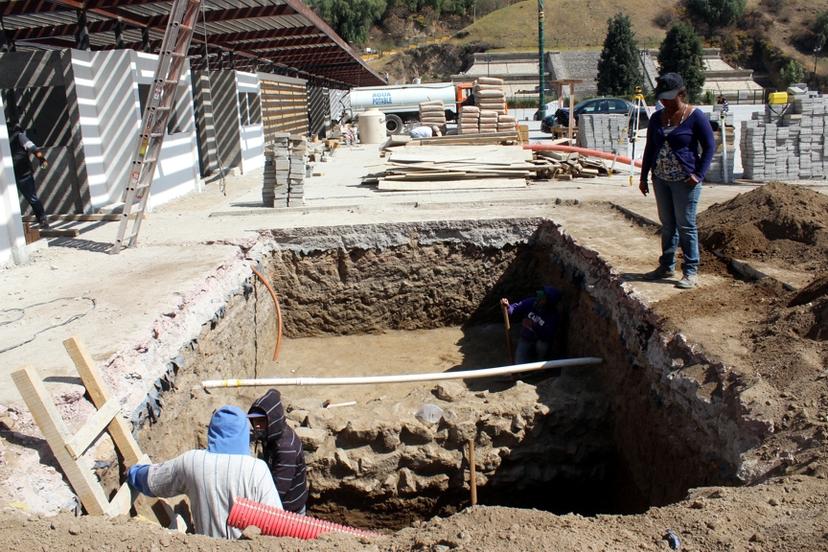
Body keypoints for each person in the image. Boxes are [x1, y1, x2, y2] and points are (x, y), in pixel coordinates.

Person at [127, 405, 282, 539]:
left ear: (212, 432)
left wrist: (133, 473)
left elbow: (153, 482)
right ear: (244, 433)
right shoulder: (257, 469)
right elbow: (277, 523)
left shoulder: (193, 462)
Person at [639, 73, 715, 289]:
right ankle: (667, 265)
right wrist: (644, 176)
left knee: (686, 226)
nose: (665, 102)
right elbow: (650, 148)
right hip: (661, 179)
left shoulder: (695, 116)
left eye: (669, 98)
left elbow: (709, 146)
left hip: (685, 181)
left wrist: (698, 175)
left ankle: (690, 271)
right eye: (662, 98)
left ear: (681, 93)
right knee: (668, 225)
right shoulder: (656, 118)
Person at [248, 389, 308, 515]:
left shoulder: (286, 449)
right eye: (255, 421)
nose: (257, 426)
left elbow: (278, 490)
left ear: (272, 420)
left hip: (289, 511)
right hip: (286, 504)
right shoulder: (272, 434)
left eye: (261, 421)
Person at [500, 286, 561, 364]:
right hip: (526, 338)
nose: (538, 299)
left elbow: (548, 335)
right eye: (539, 297)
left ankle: (540, 363)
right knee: (520, 364)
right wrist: (507, 307)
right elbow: (514, 309)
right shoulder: (531, 302)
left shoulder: (553, 316)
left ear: (548, 302)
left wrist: (534, 326)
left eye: (542, 298)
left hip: (541, 340)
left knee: (542, 347)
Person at [9, 124, 50, 228]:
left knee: (32, 198)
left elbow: (32, 148)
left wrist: (42, 159)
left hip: (23, 174)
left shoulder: (19, 136)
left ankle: (42, 219)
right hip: (10, 175)